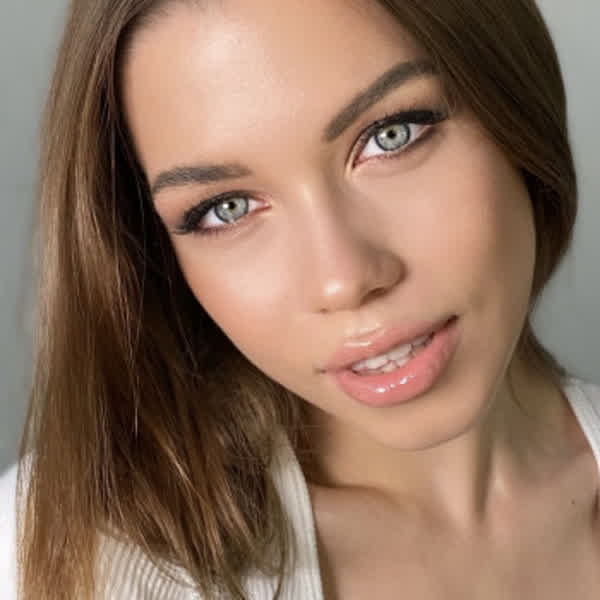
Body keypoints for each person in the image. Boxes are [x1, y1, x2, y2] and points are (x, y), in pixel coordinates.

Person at [1, 0, 599, 598]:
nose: (343, 280)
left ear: (513, 103)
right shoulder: (59, 555)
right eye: (226, 208)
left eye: (391, 136)